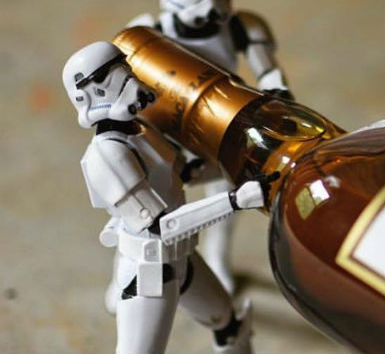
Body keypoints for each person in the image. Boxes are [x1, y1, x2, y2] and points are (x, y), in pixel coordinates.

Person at [63, 41, 268, 354]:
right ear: (87, 94)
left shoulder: (141, 129)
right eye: (107, 75)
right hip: (149, 271)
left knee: (228, 324)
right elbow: (162, 225)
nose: (125, 78)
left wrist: (241, 167)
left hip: (182, 258)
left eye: (122, 67)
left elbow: (186, 173)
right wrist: (234, 201)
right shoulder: (106, 156)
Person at [127, 0, 293, 293]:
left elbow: (269, 72)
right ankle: (127, 274)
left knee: (228, 192)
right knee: (145, 208)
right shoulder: (149, 32)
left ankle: (217, 258)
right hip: (166, 127)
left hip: (226, 120)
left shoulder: (242, 26)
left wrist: (279, 104)